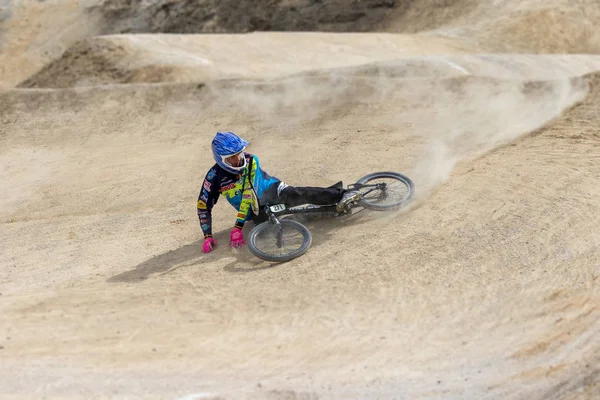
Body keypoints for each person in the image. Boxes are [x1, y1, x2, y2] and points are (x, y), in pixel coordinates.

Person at [197, 131, 359, 253]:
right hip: (254, 210)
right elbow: (203, 206)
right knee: (264, 232)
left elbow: (248, 194)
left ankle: (341, 194)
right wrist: (208, 236)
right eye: (233, 156)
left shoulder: (251, 160)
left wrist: (237, 228)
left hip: (272, 190)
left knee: (298, 194)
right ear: (221, 158)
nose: (239, 158)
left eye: (239, 152)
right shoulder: (213, 177)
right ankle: (323, 213)